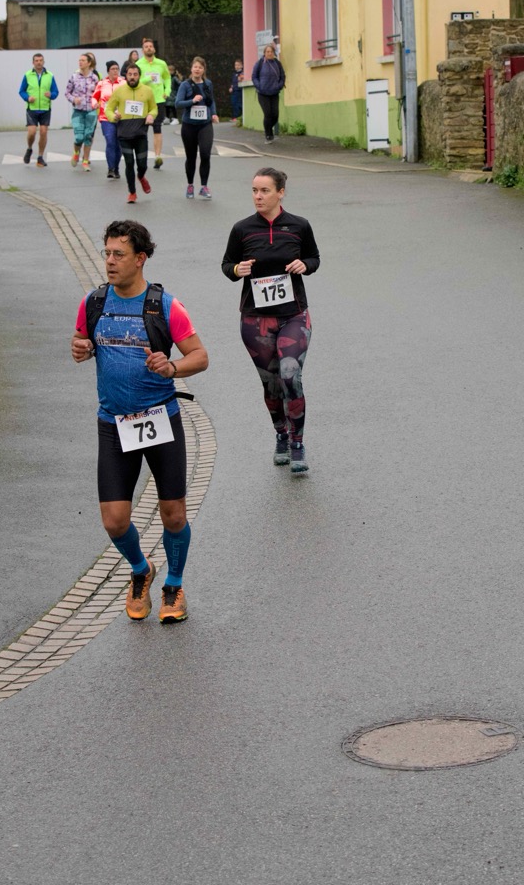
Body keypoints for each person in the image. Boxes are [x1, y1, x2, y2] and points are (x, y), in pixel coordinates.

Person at [71, 220, 209, 623]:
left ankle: (174, 585)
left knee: (174, 514)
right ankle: (140, 569)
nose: (110, 262)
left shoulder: (164, 306)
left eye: (119, 254)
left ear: (140, 259)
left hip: (159, 418)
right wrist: (80, 348)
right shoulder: (94, 302)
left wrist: (172, 367)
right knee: (114, 521)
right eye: (107, 253)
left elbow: (200, 356)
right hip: (113, 423)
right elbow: (81, 340)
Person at [221, 167, 320, 476]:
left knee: (290, 375)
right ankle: (281, 433)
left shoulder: (299, 226)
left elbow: (314, 258)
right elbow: (227, 264)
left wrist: (305, 265)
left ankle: (297, 443)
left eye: (264, 190)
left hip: (293, 314)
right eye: (254, 190)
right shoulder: (242, 229)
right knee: (272, 383)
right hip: (255, 319)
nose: (258, 196)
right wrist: (237, 270)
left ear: (280, 192)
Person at [104, 62, 157, 204]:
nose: (132, 77)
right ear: (126, 76)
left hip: (140, 133)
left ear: (139, 76)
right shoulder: (119, 91)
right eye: (130, 74)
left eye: (135, 74)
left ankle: (141, 176)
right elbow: (108, 109)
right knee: (129, 163)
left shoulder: (147, 90)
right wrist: (113, 117)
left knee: (142, 164)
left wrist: (151, 115)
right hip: (124, 133)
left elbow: (154, 108)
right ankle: (132, 192)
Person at [175, 56, 219, 200]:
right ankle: (190, 185)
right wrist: (192, 101)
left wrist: (214, 114)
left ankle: (204, 186)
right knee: (191, 157)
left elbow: (211, 101)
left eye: (200, 67)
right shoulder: (185, 85)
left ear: (203, 70)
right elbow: (178, 103)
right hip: (189, 126)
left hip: (205, 125)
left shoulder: (208, 84)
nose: (197, 70)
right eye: (195, 67)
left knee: (205, 154)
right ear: (191, 69)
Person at [137, 37, 171, 169]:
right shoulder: (139, 64)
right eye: (146, 47)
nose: (149, 48)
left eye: (150, 46)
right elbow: (135, 81)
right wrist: (147, 79)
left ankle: (157, 156)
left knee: (157, 127)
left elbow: (167, 78)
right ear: (142, 50)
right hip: (143, 100)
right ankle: (143, 156)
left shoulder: (161, 64)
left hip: (159, 100)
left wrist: (167, 91)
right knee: (142, 130)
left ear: (154, 49)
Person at [19, 52, 58, 167]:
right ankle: (29, 148)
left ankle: (40, 157)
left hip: (45, 108)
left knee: (43, 132)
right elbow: (21, 91)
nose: (39, 63)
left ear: (44, 62)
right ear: (33, 62)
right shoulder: (27, 75)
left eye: (40, 60)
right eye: (36, 61)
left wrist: (51, 95)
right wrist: (27, 98)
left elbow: (56, 91)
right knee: (31, 132)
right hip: (32, 108)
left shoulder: (50, 75)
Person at [65, 52, 100, 171]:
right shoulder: (74, 77)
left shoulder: (94, 78)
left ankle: (85, 161)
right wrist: (73, 99)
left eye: (83, 60)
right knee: (79, 137)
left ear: (89, 63)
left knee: (88, 136)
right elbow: (67, 93)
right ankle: (76, 152)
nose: (80, 62)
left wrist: (97, 102)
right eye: (79, 60)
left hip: (91, 111)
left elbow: (98, 93)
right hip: (78, 111)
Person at [92, 61, 124, 178]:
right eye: (113, 69)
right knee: (110, 141)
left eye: (117, 68)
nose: (115, 71)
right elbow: (94, 97)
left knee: (118, 144)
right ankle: (111, 168)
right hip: (105, 117)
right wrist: (94, 104)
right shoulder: (102, 83)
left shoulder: (123, 83)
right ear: (108, 71)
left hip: (121, 118)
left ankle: (116, 168)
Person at [251, 44, 285, 143]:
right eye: (267, 52)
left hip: (274, 93)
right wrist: (259, 86)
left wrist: (279, 85)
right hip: (263, 93)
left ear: (274, 53)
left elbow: (283, 76)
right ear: (264, 53)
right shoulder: (260, 63)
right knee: (268, 114)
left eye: (271, 52)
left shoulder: (277, 63)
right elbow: (254, 76)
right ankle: (268, 135)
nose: (269, 53)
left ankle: (268, 130)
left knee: (275, 115)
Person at [229, 58, 244, 126]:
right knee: (234, 103)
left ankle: (238, 117)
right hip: (234, 91)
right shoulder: (234, 74)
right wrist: (231, 87)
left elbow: (241, 81)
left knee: (239, 104)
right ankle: (235, 117)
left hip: (239, 91)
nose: (236, 66)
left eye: (238, 65)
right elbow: (233, 82)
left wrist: (241, 78)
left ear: (242, 66)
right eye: (235, 65)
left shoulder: (242, 73)